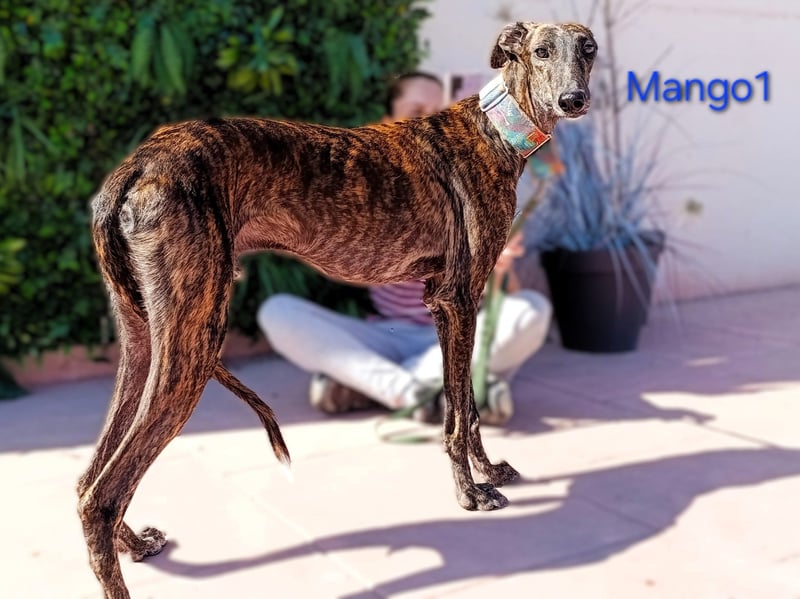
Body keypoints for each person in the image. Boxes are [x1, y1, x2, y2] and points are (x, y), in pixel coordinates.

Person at [257, 72, 552, 425]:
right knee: (278, 312)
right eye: (416, 111)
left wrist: (496, 266)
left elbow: (503, 296)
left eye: (439, 112)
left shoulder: (475, 188)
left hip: (456, 336)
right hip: (387, 334)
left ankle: (381, 387)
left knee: (532, 310)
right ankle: (429, 391)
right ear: (388, 122)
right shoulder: (366, 183)